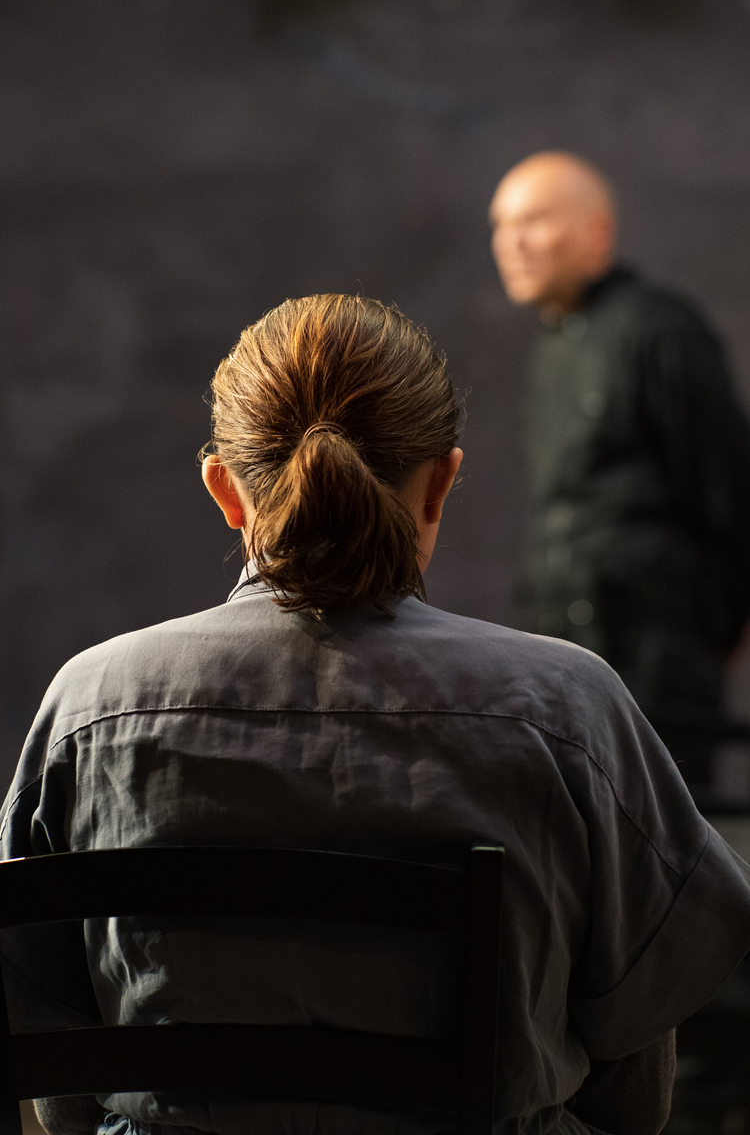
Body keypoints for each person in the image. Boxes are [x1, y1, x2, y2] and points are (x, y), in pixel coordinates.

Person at [2, 293, 750, 1135]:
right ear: (441, 482)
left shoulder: (89, 708)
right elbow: (637, 1065)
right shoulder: (568, 708)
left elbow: (52, 1053)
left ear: (225, 492)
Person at [489, 152, 750, 728]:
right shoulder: (554, 349)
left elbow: (730, 486)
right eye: (500, 225)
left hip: (654, 668)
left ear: (596, 233)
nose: (511, 243)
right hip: (563, 660)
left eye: (532, 221)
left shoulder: (658, 331)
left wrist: (725, 620)